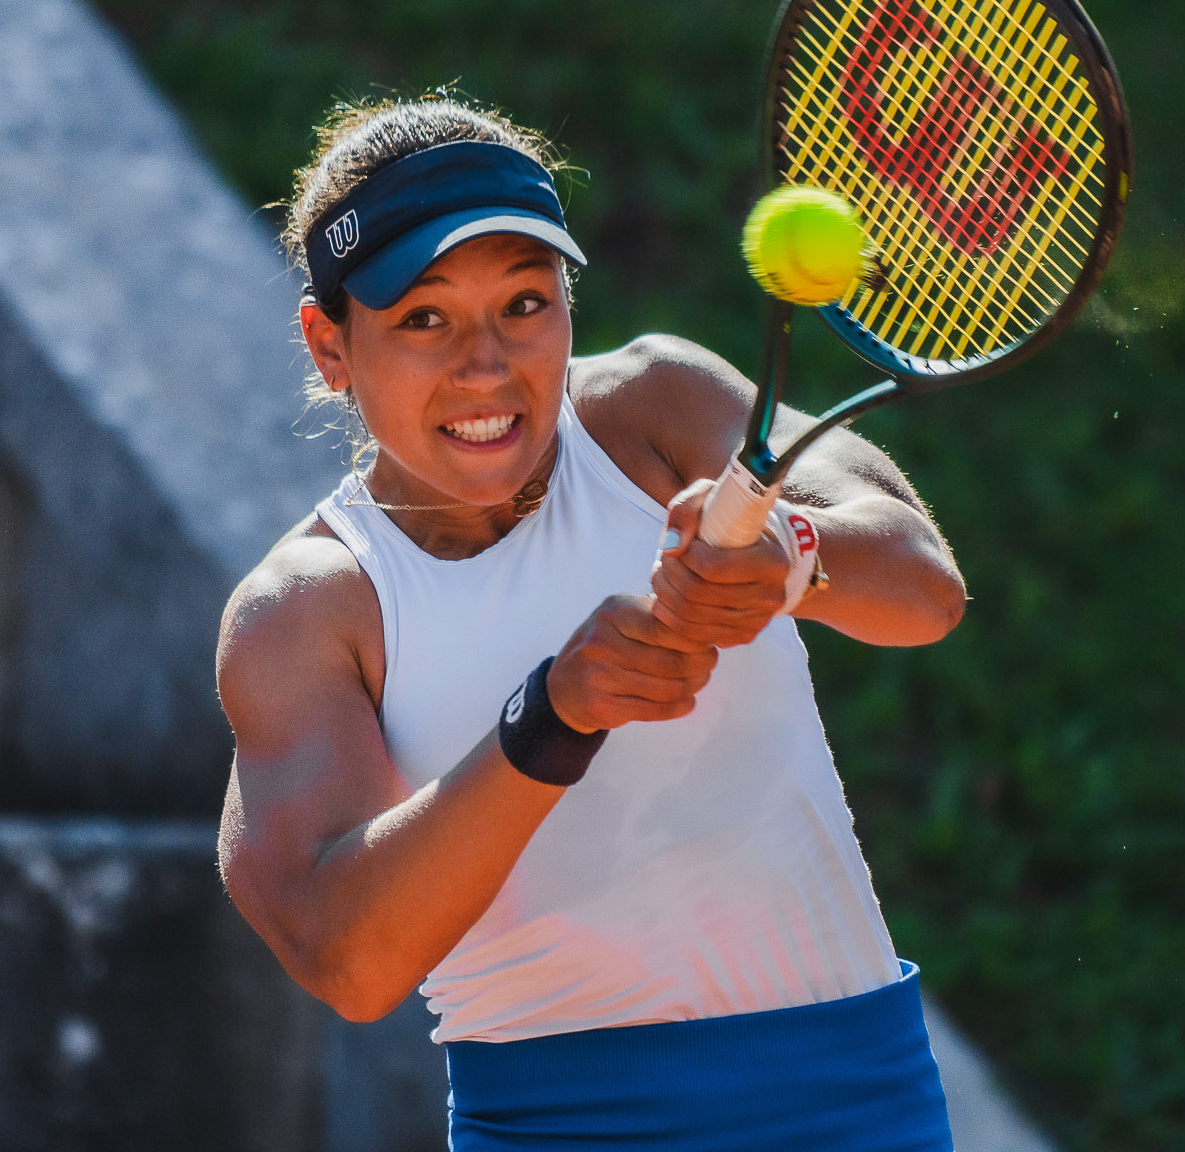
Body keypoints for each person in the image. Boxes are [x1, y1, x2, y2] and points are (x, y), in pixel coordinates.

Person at [214, 94, 967, 1150]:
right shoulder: (306, 609)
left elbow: (925, 588)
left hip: (861, 1106)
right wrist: (552, 716)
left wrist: (792, 558)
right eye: (424, 318)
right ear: (328, 345)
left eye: (524, 303)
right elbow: (348, 960)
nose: (486, 364)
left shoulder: (655, 407)